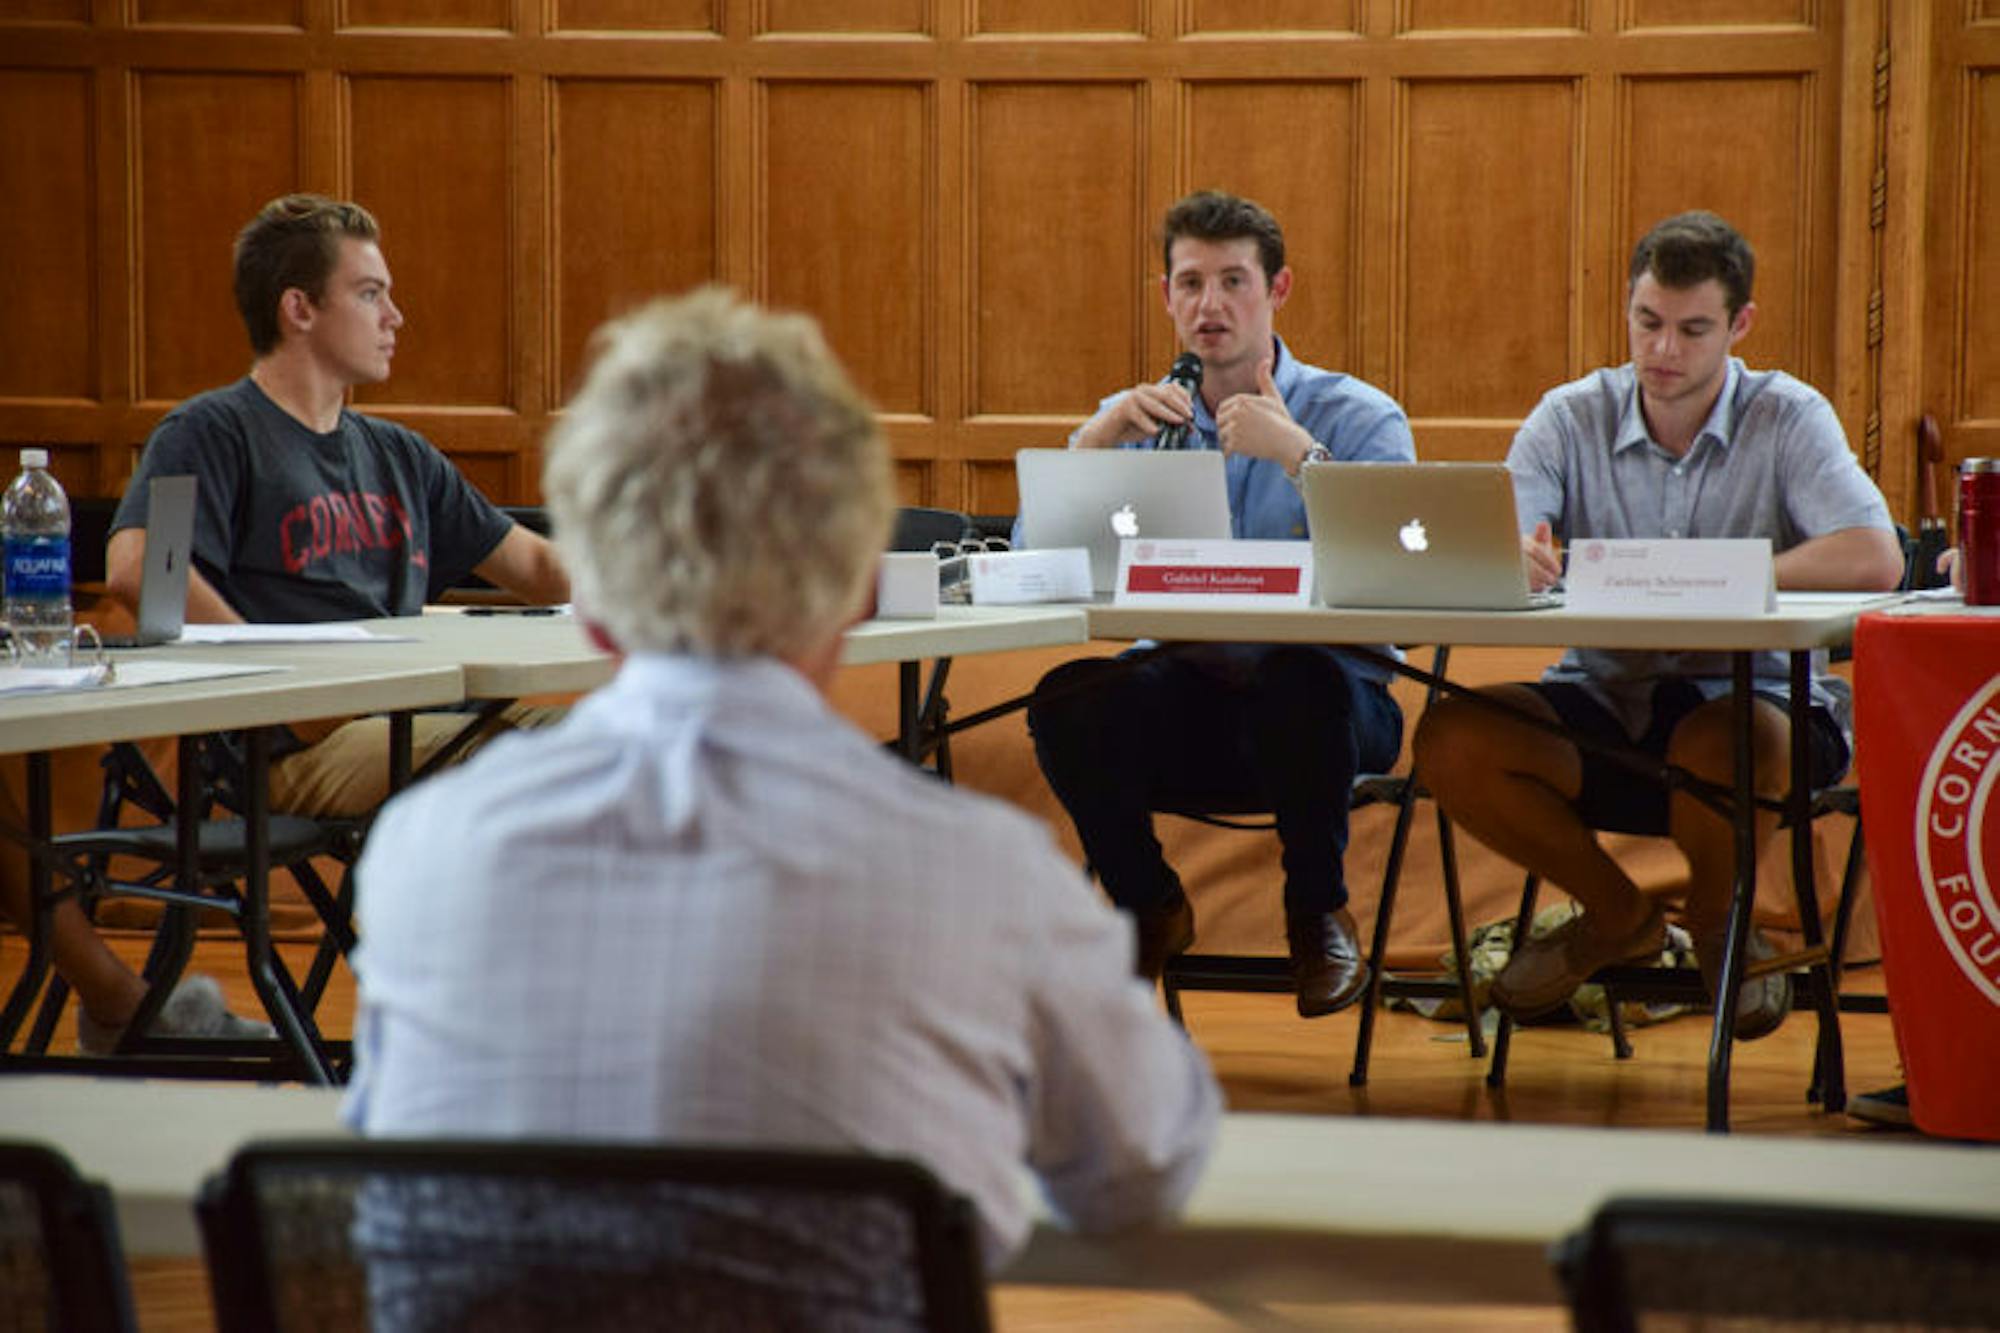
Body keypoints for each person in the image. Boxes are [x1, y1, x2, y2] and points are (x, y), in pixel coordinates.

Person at [341, 287, 1221, 1272]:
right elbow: (1141, 1166)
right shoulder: (982, 875)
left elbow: (385, 1152)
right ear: (857, 590)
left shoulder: (421, 850)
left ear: (587, 606)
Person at [6, 193, 569, 1056]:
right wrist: (277, 680)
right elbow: (133, 566)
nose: (397, 316)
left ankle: (509, 1014)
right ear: (298, 309)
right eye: (371, 293)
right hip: (280, 746)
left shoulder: (399, 455)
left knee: (601, 731)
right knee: (555, 748)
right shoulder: (212, 431)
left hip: (399, 716)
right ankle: (484, 1026)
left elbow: (537, 567)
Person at [1413, 210, 1905, 1040]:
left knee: (1720, 738)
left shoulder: (1787, 415)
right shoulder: (1570, 416)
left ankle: (1717, 924)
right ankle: (1620, 916)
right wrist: (1514, 557)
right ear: (1628, 312)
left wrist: (1721, 579)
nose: (1664, 350)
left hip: (1761, 711)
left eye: (1692, 329)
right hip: (1607, 699)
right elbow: (1505, 535)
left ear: (1738, 325)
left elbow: (1874, 556)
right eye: (1648, 323)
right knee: (1451, 736)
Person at [1026, 190, 1413, 1017]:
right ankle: (1148, 904)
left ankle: (1317, 911)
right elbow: (1031, 564)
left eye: (1234, 281)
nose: (1210, 305)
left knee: (1297, 677)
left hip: (1336, 709)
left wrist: (1302, 457)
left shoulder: (1357, 415)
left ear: (1278, 292)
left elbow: (1402, 575)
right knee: (1069, 697)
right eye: (1190, 282)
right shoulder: (1135, 418)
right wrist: (1092, 448)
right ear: (1165, 296)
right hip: (1187, 693)